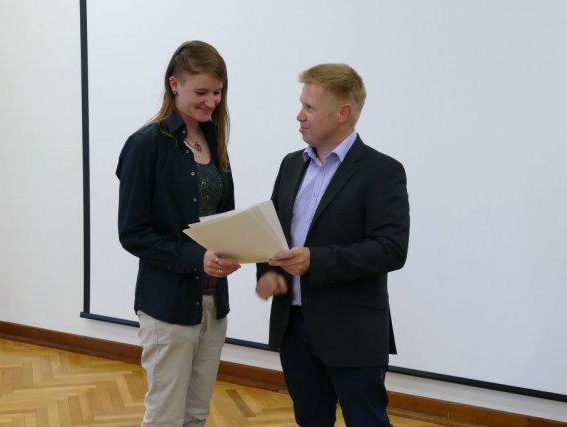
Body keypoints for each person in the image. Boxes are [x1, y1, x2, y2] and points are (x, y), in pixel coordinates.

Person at [256, 63, 410, 426]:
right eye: (301, 105)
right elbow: (272, 233)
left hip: (352, 331)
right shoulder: (290, 165)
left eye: (309, 107)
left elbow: (391, 248)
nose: (300, 115)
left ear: (343, 113)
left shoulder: (382, 172)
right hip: (293, 327)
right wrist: (267, 273)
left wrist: (316, 260)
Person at [116, 40, 241, 427]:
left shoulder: (214, 140)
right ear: (174, 84)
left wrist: (237, 247)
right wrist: (196, 258)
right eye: (201, 92)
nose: (211, 102)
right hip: (167, 305)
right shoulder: (145, 146)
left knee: (196, 413)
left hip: (213, 303)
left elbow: (222, 219)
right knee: (165, 416)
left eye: (217, 92)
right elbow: (132, 233)